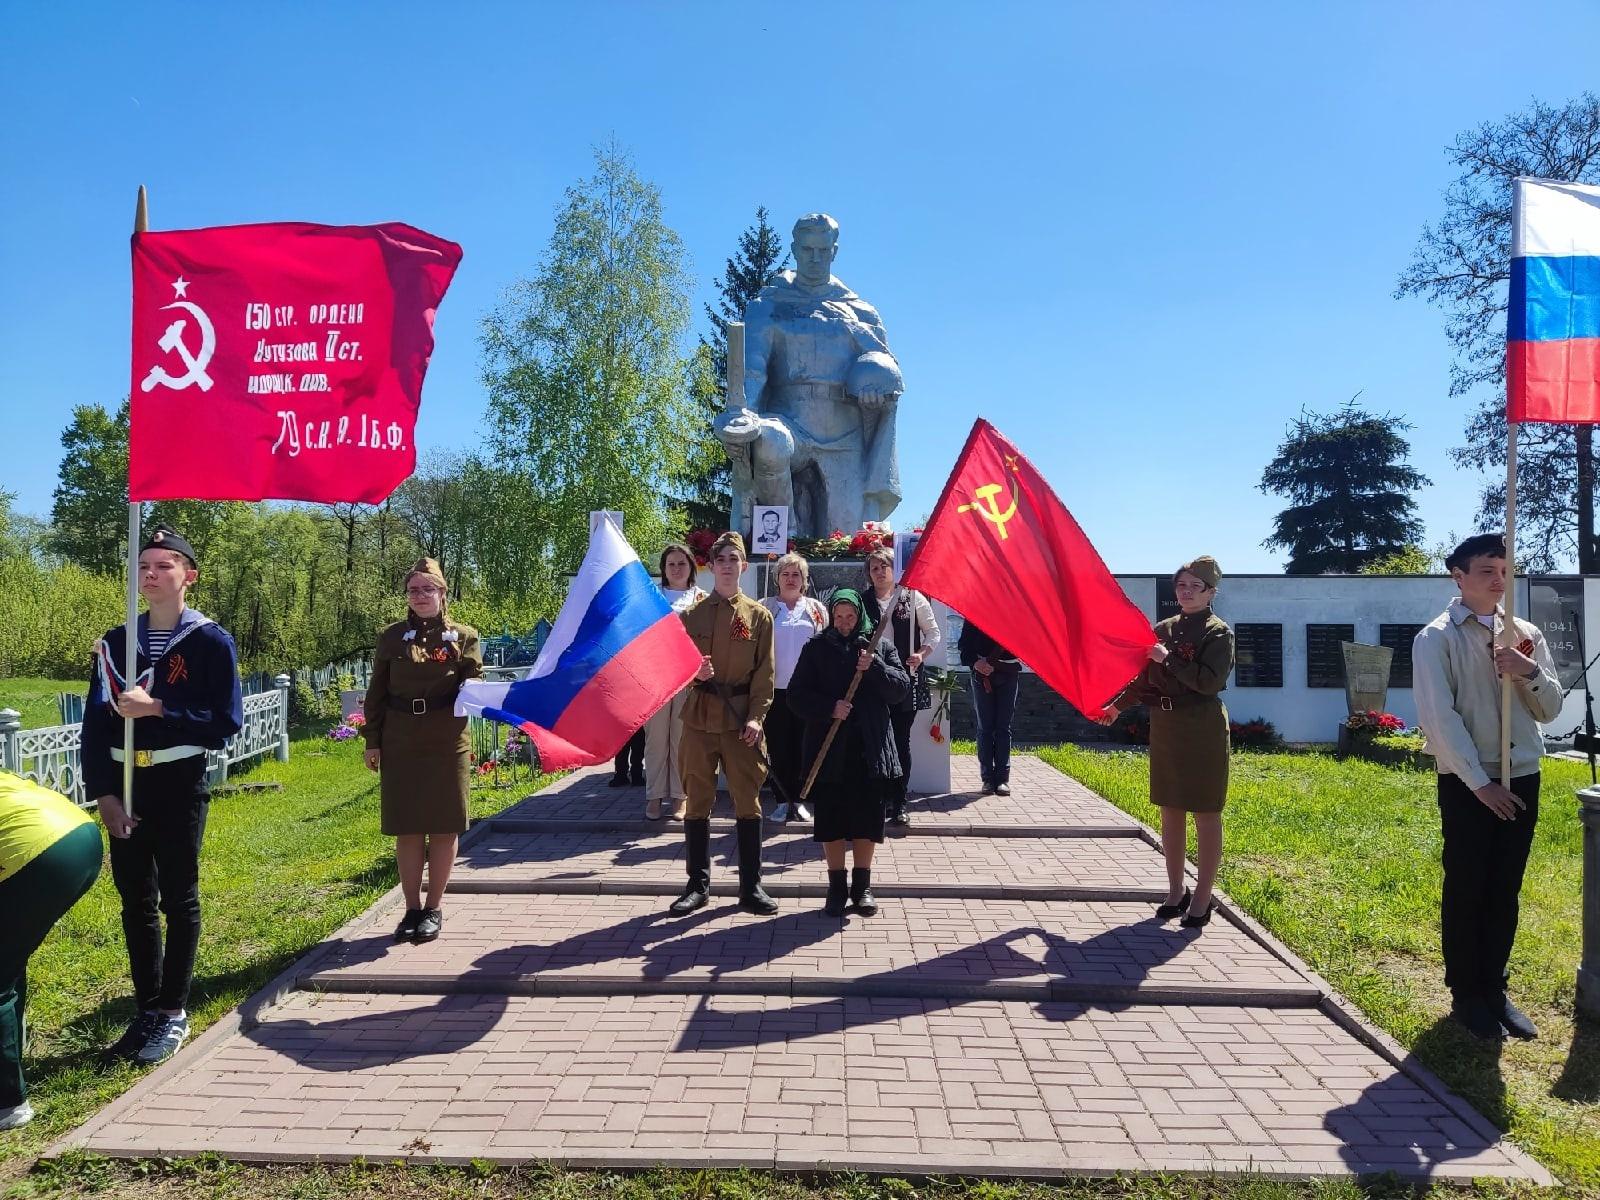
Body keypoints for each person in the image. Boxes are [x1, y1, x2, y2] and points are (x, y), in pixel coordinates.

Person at [81, 523, 243, 1065]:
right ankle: (146, 1007)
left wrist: (158, 710)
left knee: (178, 895)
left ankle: (173, 1009)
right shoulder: (118, 641)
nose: (150, 575)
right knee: (135, 899)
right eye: (143, 566)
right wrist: (104, 794)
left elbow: (225, 722)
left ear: (188, 576)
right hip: (128, 782)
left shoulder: (210, 641)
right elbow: (95, 729)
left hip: (178, 781)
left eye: (164, 566)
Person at [1412, 533, 1562, 1041]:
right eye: (1485, 571)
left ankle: (1495, 988)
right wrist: (1479, 784)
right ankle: (1466, 994)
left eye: (1504, 570)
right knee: (1468, 885)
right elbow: (1439, 719)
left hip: (1521, 774)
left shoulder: (1524, 634)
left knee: (1505, 887)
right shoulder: (1437, 638)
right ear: (1458, 575)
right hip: (1468, 781)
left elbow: (1551, 708)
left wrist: (1527, 672)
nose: (1499, 581)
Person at [1098, 557, 1234, 931]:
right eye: (1181, 585)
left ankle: (1203, 899)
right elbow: (1143, 682)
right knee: (1170, 811)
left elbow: (1208, 683)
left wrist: (1168, 658)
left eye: (1195, 586)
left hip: (1202, 727)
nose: (1187, 592)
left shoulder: (1218, 633)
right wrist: (1116, 707)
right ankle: (1176, 891)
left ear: (1211, 592)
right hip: (1167, 725)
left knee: (1206, 812)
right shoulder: (1162, 629)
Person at [363, 558, 483, 944]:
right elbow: (376, 693)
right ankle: (411, 908)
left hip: (447, 740)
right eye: (413, 590)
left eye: (427, 589)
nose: (419, 596)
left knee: (444, 824)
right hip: (401, 738)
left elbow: (474, 688)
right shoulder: (391, 638)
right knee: (408, 825)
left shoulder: (463, 637)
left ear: (442, 593)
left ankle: (433, 907)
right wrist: (373, 740)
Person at [668, 532, 778, 916]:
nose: (728, 565)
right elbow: (675, 671)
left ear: (743, 566)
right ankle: (697, 886)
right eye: (721, 560)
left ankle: (751, 887)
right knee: (697, 801)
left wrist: (757, 717)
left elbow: (765, 672)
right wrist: (695, 672)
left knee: (748, 802)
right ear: (710, 567)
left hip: (740, 721)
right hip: (699, 718)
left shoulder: (759, 616)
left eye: (735, 559)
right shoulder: (690, 616)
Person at [786, 589, 910, 916]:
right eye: (838, 617)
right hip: (829, 751)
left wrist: (876, 667)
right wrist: (830, 707)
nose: (843, 623)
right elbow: (796, 696)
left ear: (860, 617)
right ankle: (836, 887)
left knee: (867, 820)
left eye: (850, 617)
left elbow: (900, 690)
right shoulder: (816, 649)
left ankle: (862, 886)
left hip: (870, 750)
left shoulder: (879, 647)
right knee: (832, 820)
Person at [0, 772, 103, 1128]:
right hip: (77, 830)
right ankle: (15, 1053)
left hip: (35, 849)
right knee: (9, 956)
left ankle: (8, 1102)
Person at [863, 547, 942, 826]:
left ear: (894, 570)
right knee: (875, 742)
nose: (880, 571)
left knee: (900, 742)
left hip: (904, 680)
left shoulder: (912, 597)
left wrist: (921, 654)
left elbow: (933, 632)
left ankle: (899, 802)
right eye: (874, 567)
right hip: (872, 683)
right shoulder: (863, 602)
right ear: (869, 573)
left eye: (885, 566)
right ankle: (878, 799)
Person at [760, 552, 827, 825]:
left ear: (805, 580)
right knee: (778, 747)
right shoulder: (764, 606)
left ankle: (799, 801)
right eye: (785, 574)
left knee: (804, 747)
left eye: (796, 574)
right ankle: (780, 800)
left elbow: (824, 646)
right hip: (774, 689)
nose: (790, 579)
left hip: (806, 692)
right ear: (777, 578)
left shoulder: (816, 609)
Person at [642, 543, 707, 821]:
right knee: (655, 739)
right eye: (671, 564)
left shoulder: (702, 598)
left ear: (691, 567)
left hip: (688, 677)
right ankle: (654, 796)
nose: (677, 568)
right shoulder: (650, 597)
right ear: (664, 569)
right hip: (655, 678)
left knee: (682, 738)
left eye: (682, 563)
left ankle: (680, 796)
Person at [957, 619, 1021, 796]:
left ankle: (1002, 779)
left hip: (1008, 673)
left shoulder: (1014, 614)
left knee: (1003, 727)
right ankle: (987, 779)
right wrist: (977, 664)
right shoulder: (974, 613)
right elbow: (964, 645)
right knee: (985, 727)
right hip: (981, 675)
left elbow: (1025, 642)